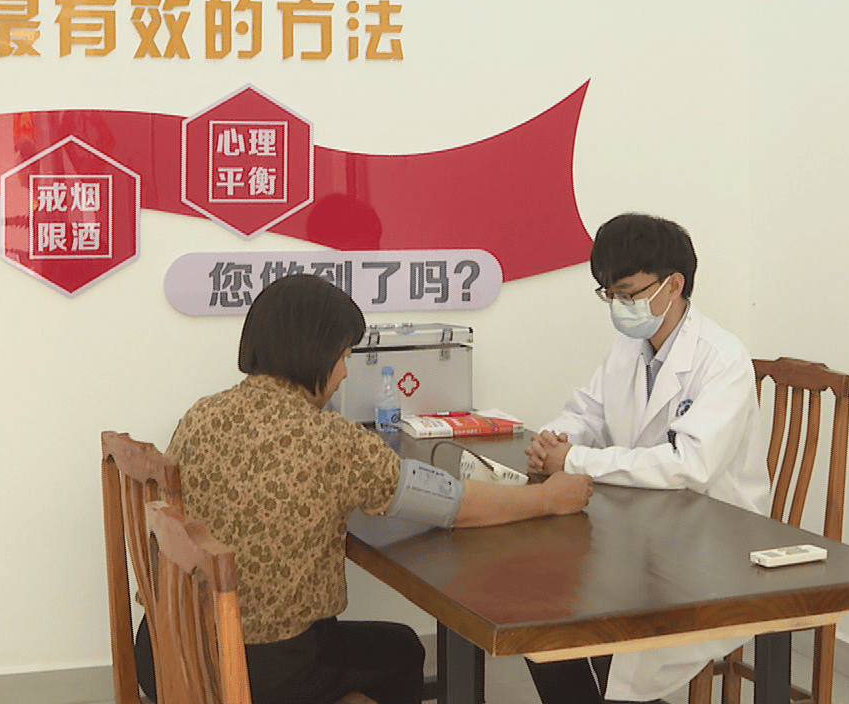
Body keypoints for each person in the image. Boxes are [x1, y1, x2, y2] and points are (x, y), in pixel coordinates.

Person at [135, 273, 593, 704]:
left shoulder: (202, 414)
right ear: (316, 355)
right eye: (344, 356)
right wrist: (548, 498)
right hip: (258, 669)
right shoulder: (329, 438)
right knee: (402, 650)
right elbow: (452, 504)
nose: (345, 373)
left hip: (164, 647)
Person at [522, 213, 772, 704]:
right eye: (610, 295)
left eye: (629, 293)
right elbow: (588, 411)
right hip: (643, 526)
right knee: (538, 614)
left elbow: (689, 466)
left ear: (674, 284)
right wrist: (555, 440)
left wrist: (575, 461)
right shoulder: (630, 345)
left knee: (597, 635)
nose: (620, 307)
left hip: (711, 545)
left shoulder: (722, 358)